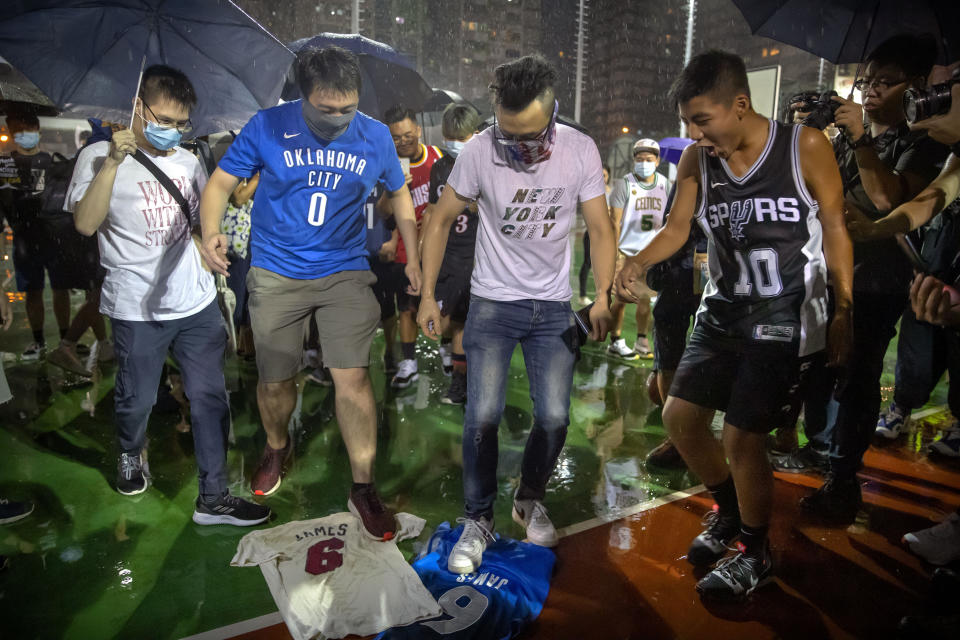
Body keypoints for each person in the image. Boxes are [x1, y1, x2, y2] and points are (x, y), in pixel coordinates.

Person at [616, 50, 853, 599]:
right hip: (722, 310)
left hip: (783, 313)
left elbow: (837, 226)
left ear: (740, 105)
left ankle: (756, 549)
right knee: (679, 418)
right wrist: (638, 261)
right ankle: (729, 513)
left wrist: (845, 308)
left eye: (702, 121)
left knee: (743, 437)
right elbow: (678, 228)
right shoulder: (699, 161)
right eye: (687, 124)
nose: (695, 135)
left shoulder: (804, 147)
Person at [199, 46, 421, 540]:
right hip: (277, 270)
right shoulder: (267, 125)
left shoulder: (376, 135)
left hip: (344, 271)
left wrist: (415, 257)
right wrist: (211, 229)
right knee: (276, 381)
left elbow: (400, 192)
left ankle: (363, 486)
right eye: (326, 109)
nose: (338, 118)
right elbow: (219, 185)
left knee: (354, 380)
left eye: (347, 108)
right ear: (302, 97)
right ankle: (277, 446)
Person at [418, 54, 615, 574]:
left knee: (553, 419)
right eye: (507, 132)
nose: (517, 145)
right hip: (491, 304)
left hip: (552, 308)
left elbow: (599, 227)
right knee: (481, 418)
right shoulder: (481, 150)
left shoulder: (580, 149)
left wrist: (602, 295)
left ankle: (528, 498)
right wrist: (426, 298)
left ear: (553, 116)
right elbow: (438, 222)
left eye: (529, 134)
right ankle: (477, 519)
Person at [66, 64, 269, 526]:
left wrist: (211, 242)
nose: (173, 132)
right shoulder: (97, 156)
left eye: (182, 124)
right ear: (139, 108)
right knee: (135, 401)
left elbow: (199, 220)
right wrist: (115, 163)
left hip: (195, 301)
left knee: (209, 396)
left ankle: (214, 497)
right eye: (165, 120)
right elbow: (85, 223)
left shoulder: (188, 161)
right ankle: (130, 451)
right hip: (137, 308)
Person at [801, 34, 950, 520]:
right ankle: (821, 454)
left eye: (885, 83)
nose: (870, 91)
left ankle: (844, 481)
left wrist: (863, 140)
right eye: (867, 81)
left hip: (877, 281)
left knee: (857, 374)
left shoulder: (924, 142)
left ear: (916, 87)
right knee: (818, 370)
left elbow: (890, 200)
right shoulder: (847, 138)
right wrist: (807, 135)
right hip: (827, 271)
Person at [0, 112, 75, 360]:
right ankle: (38, 341)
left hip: (55, 239)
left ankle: (66, 340)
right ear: (11, 134)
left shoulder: (52, 163)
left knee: (61, 288)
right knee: (32, 292)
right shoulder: (4, 166)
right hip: (24, 241)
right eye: (18, 130)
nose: (25, 135)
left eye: (29, 129)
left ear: (38, 131)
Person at [423, 103, 482, 405]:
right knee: (448, 322)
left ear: (476, 134)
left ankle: (464, 381)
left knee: (466, 322)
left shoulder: (486, 164)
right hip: (449, 256)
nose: (454, 144)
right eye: (450, 137)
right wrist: (422, 259)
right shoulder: (441, 167)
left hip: (478, 257)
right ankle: (459, 370)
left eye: (461, 137)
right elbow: (434, 215)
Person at [383, 106, 443, 389]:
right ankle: (409, 362)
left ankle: (446, 349)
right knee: (405, 306)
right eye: (396, 137)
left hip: (437, 247)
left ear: (418, 130)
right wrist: (392, 189)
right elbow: (383, 211)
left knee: (443, 303)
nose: (403, 141)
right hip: (406, 250)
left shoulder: (438, 158)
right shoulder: (389, 164)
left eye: (407, 135)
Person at [607, 139, 672, 359]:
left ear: (657, 161)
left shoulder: (665, 184)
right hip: (627, 252)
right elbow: (614, 221)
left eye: (648, 159)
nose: (644, 163)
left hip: (651, 254)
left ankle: (642, 339)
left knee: (646, 299)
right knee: (622, 299)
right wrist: (615, 254)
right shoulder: (625, 184)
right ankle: (615, 340)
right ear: (634, 160)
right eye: (639, 159)